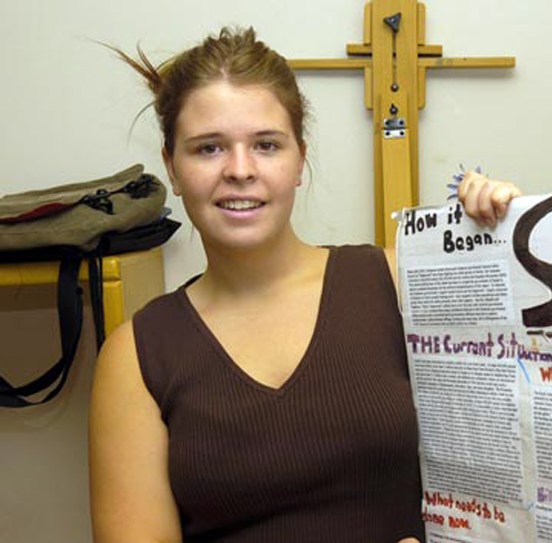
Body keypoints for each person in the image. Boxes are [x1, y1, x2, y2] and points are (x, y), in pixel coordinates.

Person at [88, 27, 520, 543]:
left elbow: (525, 429)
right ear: (172, 169)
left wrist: (509, 240)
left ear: (299, 159)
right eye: (208, 149)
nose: (240, 171)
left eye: (266, 145)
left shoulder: (394, 284)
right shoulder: (136, 356)